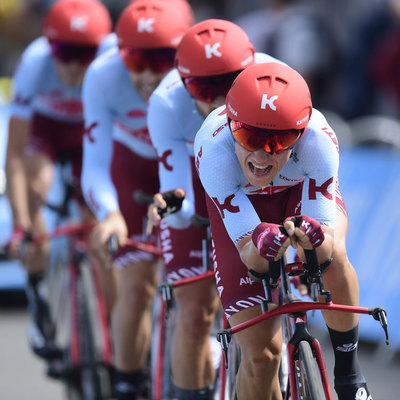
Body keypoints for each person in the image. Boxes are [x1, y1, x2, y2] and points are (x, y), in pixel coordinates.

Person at [192, 61, 373, 400]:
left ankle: (350, 376)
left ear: (300, 135)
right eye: (249, 137)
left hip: (296, 194)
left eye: (279, 141)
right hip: (246, 210)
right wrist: (260, 240)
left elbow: (324, 249)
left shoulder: (319, 142)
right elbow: (251, 257)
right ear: (231, 125)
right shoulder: (213, 151)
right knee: (262, 357)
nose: (261, 155)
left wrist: (317, 240)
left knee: (332, 257)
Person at [146, 19, 284, 399]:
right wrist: (177, 210)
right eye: (204, 89)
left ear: (251, 70)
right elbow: (176, 187)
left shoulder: (277, 82)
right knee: (194, 314)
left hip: (254, 183)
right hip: (195, 181)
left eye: (229, 84)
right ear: (183, 82)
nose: (219, 101)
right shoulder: (166, 103)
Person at [80, 1, 194, 398]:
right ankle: (127, 387)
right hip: (133, 169)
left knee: (202, 292)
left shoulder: (202, 76)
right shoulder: (103, 75)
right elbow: (94, 165)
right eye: (135, 59)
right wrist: (109, 213)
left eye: (161, 58)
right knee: (137, 284)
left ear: (183, 53)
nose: (147, 73)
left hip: (188, 169)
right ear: (118, 52)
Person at [5, 0, 113, 359]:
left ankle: (118, 336)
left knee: (99, 225)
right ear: (50, 46)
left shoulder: (113, 57)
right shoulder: (35, 62)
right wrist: (21, 223)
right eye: (64, 52)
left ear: (100, 48)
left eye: (84, 54)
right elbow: (15, 156)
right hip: (46, 131)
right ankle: (38, 289)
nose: (71, 64)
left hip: (87, 133)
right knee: (36, 187)